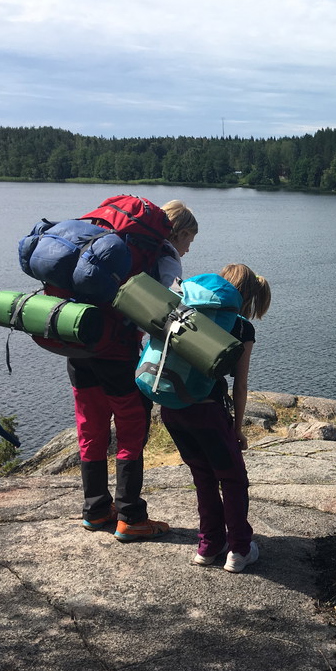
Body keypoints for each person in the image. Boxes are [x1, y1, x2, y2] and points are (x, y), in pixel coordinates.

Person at [71, 200, 198, 542]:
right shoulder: (164, 253)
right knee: (131, 428)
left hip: (78, 341)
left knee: (91, 426)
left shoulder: (107, 241)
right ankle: (130, 517)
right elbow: (172, 305)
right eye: (190, 240)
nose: (188, 248)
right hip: (116, 350)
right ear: (179, 232)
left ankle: (96, 509)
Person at [160, 264, 271, 572]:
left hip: (171, 409)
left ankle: (209, 545)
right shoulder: (241, 328)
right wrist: (237, 428)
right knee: (233, 479)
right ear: (248, 297)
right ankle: (239, 549)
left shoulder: (185, 313)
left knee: (203, 476)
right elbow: (241, 385)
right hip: (208, 412)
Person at [157, 200, 199, 290]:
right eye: (190, 241)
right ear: (182, 234)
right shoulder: (169, 264)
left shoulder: (148, 248)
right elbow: (172, 296)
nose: (188, 250)